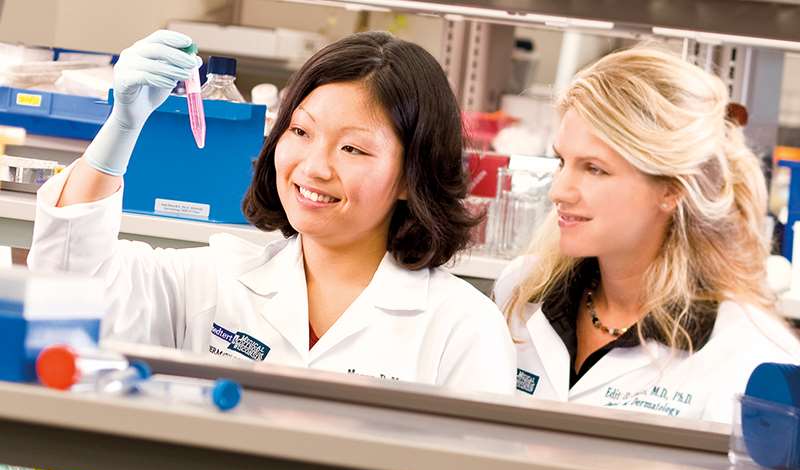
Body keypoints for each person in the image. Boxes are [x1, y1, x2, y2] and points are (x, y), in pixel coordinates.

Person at [28, 30, 516, 395]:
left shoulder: (462, 327)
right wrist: (123, 126)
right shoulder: (216, 279)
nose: (315, 166)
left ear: (413, 175)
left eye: (353, 149)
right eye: (300, 132)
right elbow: (70, 283)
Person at [494, 46, 800, 422]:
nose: (559, 190)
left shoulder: (747, 354)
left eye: (594, 169)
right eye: (562, 161)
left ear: (671, 190)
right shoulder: (520, 292)